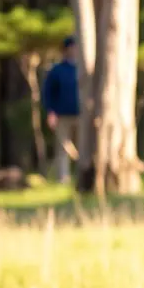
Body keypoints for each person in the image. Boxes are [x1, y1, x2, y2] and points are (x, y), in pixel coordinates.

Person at [42, 36, 80, 183]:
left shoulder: (84, 68)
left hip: (81, 115)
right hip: (62, 115)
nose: (74, 50)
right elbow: (48, 92)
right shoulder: (57, 70)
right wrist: (51, 112)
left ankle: (81, 177)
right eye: (71, 47)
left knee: (82, 148)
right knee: (63, 148)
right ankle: (63, 178)